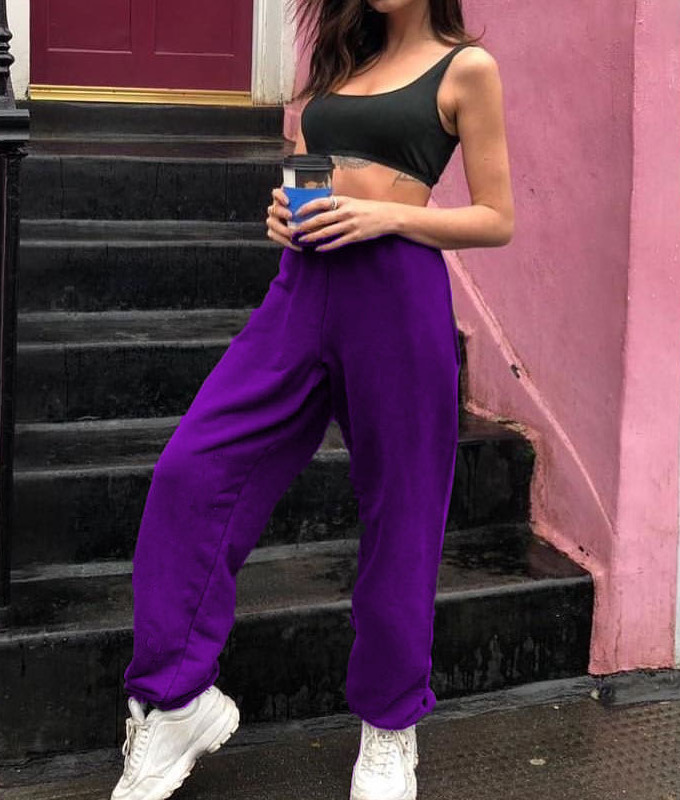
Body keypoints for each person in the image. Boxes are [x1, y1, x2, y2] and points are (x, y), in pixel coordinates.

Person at [110, 0, 513, 798]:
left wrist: (386, 214)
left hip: (396, 294)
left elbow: (496, 218)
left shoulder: (466, 68)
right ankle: (177, 701)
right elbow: (311, 167)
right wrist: (284, 211)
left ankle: (390, 727)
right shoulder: (339, 59)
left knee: (402, 510)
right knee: (194, 470)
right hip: (303, 286)